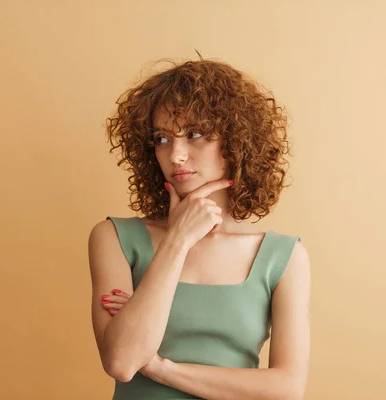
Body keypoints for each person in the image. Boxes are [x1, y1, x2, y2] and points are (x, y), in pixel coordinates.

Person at [88, 56, 311, 400]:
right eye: (161, 138)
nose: (175, 154)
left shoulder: (284, 258)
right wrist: (177, 241)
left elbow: (286, 389)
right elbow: (121, 361)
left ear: (236, 142)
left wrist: (162, 368)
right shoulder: (115, 238)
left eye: (194, 134)